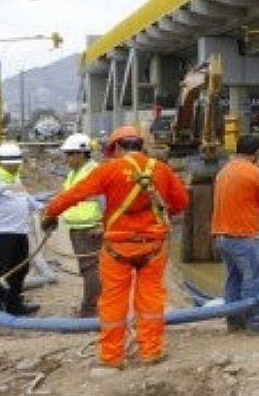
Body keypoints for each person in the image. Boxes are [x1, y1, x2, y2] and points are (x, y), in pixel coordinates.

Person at [42, 126, 189, 368]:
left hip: (117, 248)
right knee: (151, 300)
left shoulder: (109, 170)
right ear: (141, 146)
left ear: (118, 147)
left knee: (112, 301)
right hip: (152, 247)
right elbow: (181, 202)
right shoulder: (161, 170)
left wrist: (50, 213)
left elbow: (75, 194)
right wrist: (158, 214)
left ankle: (112, 357)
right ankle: (151, 351)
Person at [212, 134, 259, 336]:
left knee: (233, 279)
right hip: (245, 235)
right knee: (257, 279)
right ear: (258, 153)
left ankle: (233, 321)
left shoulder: (223, 172)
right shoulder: (256, 174)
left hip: (222, 236)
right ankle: (256, 322)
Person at [0, 143, 40, 316]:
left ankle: (14, 305)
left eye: (15, 164)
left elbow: (25, 198)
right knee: (0, 272)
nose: (13, 167)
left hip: (19, 233)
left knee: (20, 269)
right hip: (1, 234)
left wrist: (43, 208)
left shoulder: (15, 179)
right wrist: (4, 185)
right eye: (9, 165)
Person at [57, 132, 103, 317]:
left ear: (81, 154)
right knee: (89, 269)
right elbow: (67, 197)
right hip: (79, 227)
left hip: (89, 227)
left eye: (69, 154)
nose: (66, 158)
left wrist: (102, 224)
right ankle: (94, 306)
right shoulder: (74, 173)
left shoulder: (93, 172)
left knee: (90, 270)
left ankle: (91, 310)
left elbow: (106, 200)